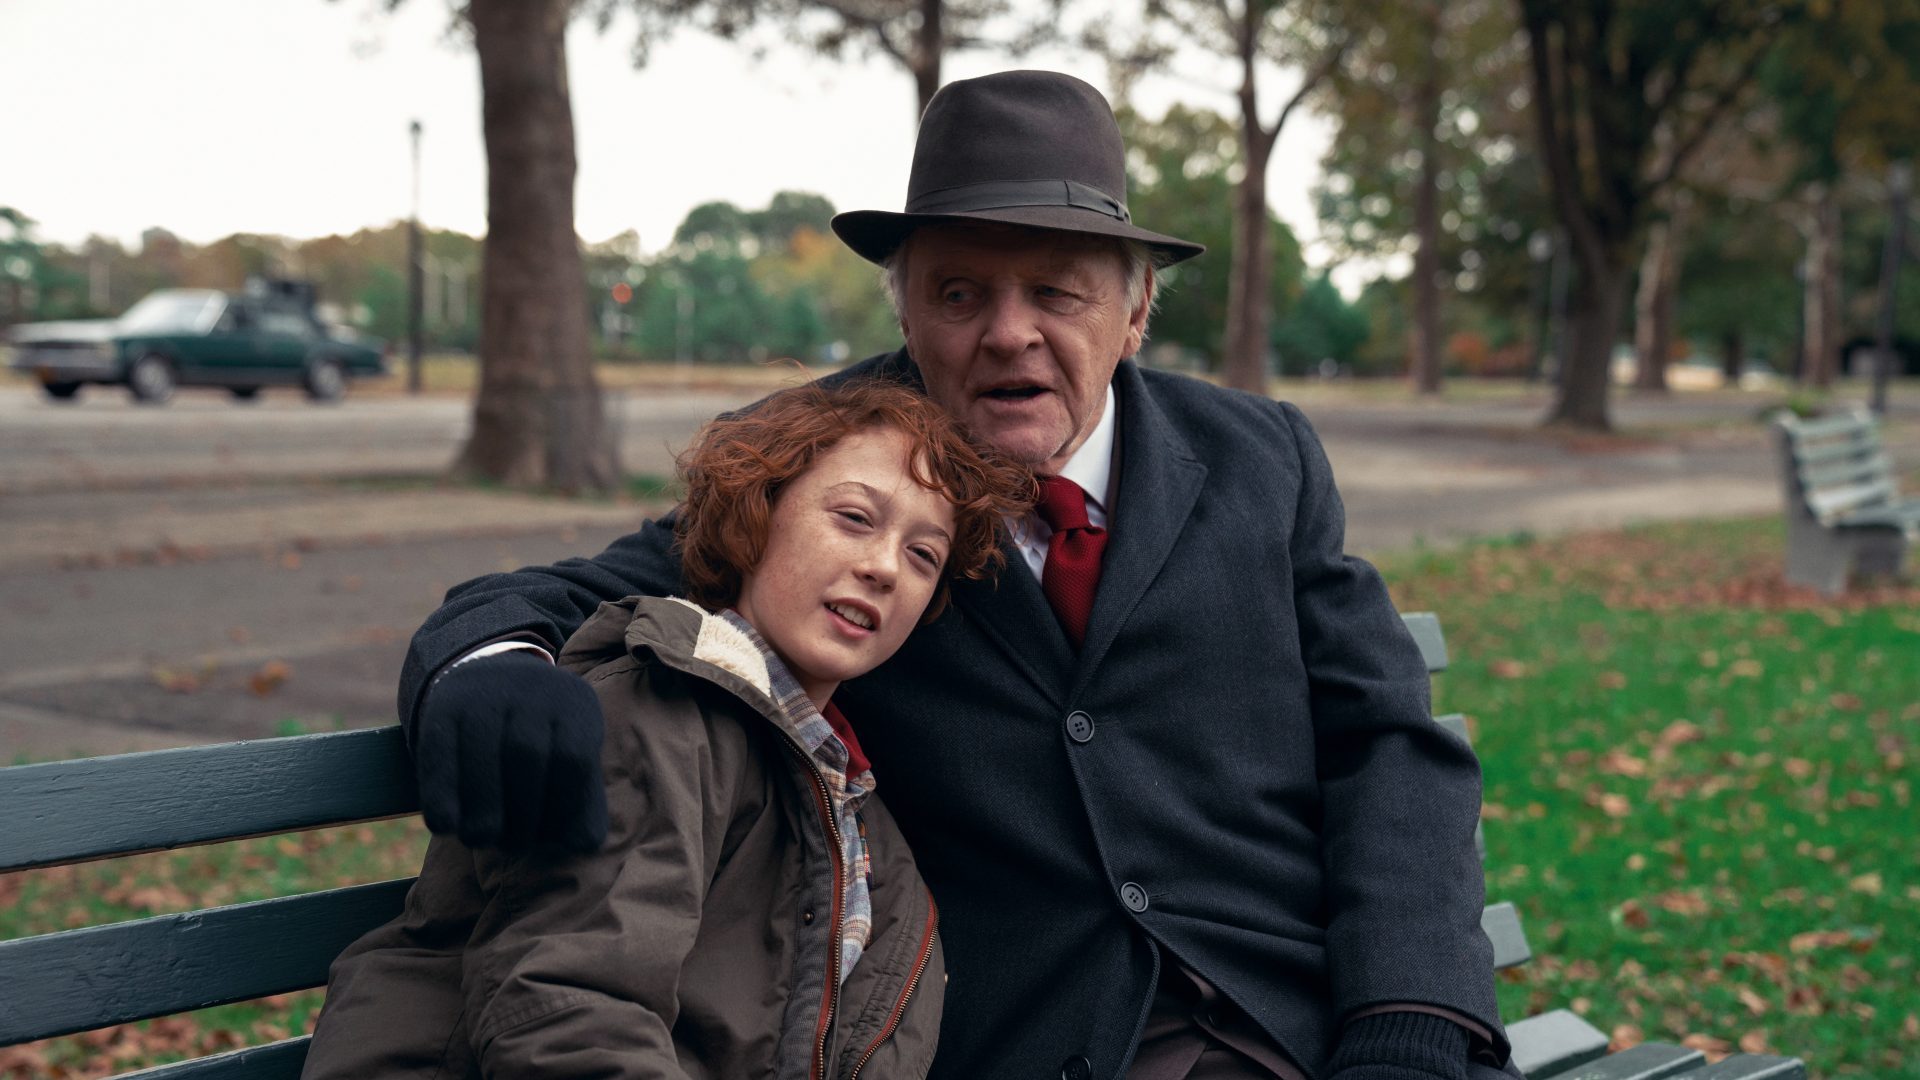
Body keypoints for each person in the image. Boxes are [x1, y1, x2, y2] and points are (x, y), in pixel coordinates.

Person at [394, 70, 1523, 1080]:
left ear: (1133, 313)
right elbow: (568, 590)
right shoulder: (821, 470)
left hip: (1306, 1020)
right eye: (959, 292)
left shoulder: (1260, 459)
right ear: (907, 310)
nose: (1007, 333)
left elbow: (1387, 742)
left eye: (1058, 292)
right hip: (1031, 1035)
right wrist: (492, 659)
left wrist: (1408, 1014)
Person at [302, 380, 1033, 1080]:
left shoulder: (852, 809)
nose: (882, 568)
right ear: (758, 516)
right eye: (853, 518)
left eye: (923, 555)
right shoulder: (660, 709)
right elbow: (567, 1013)